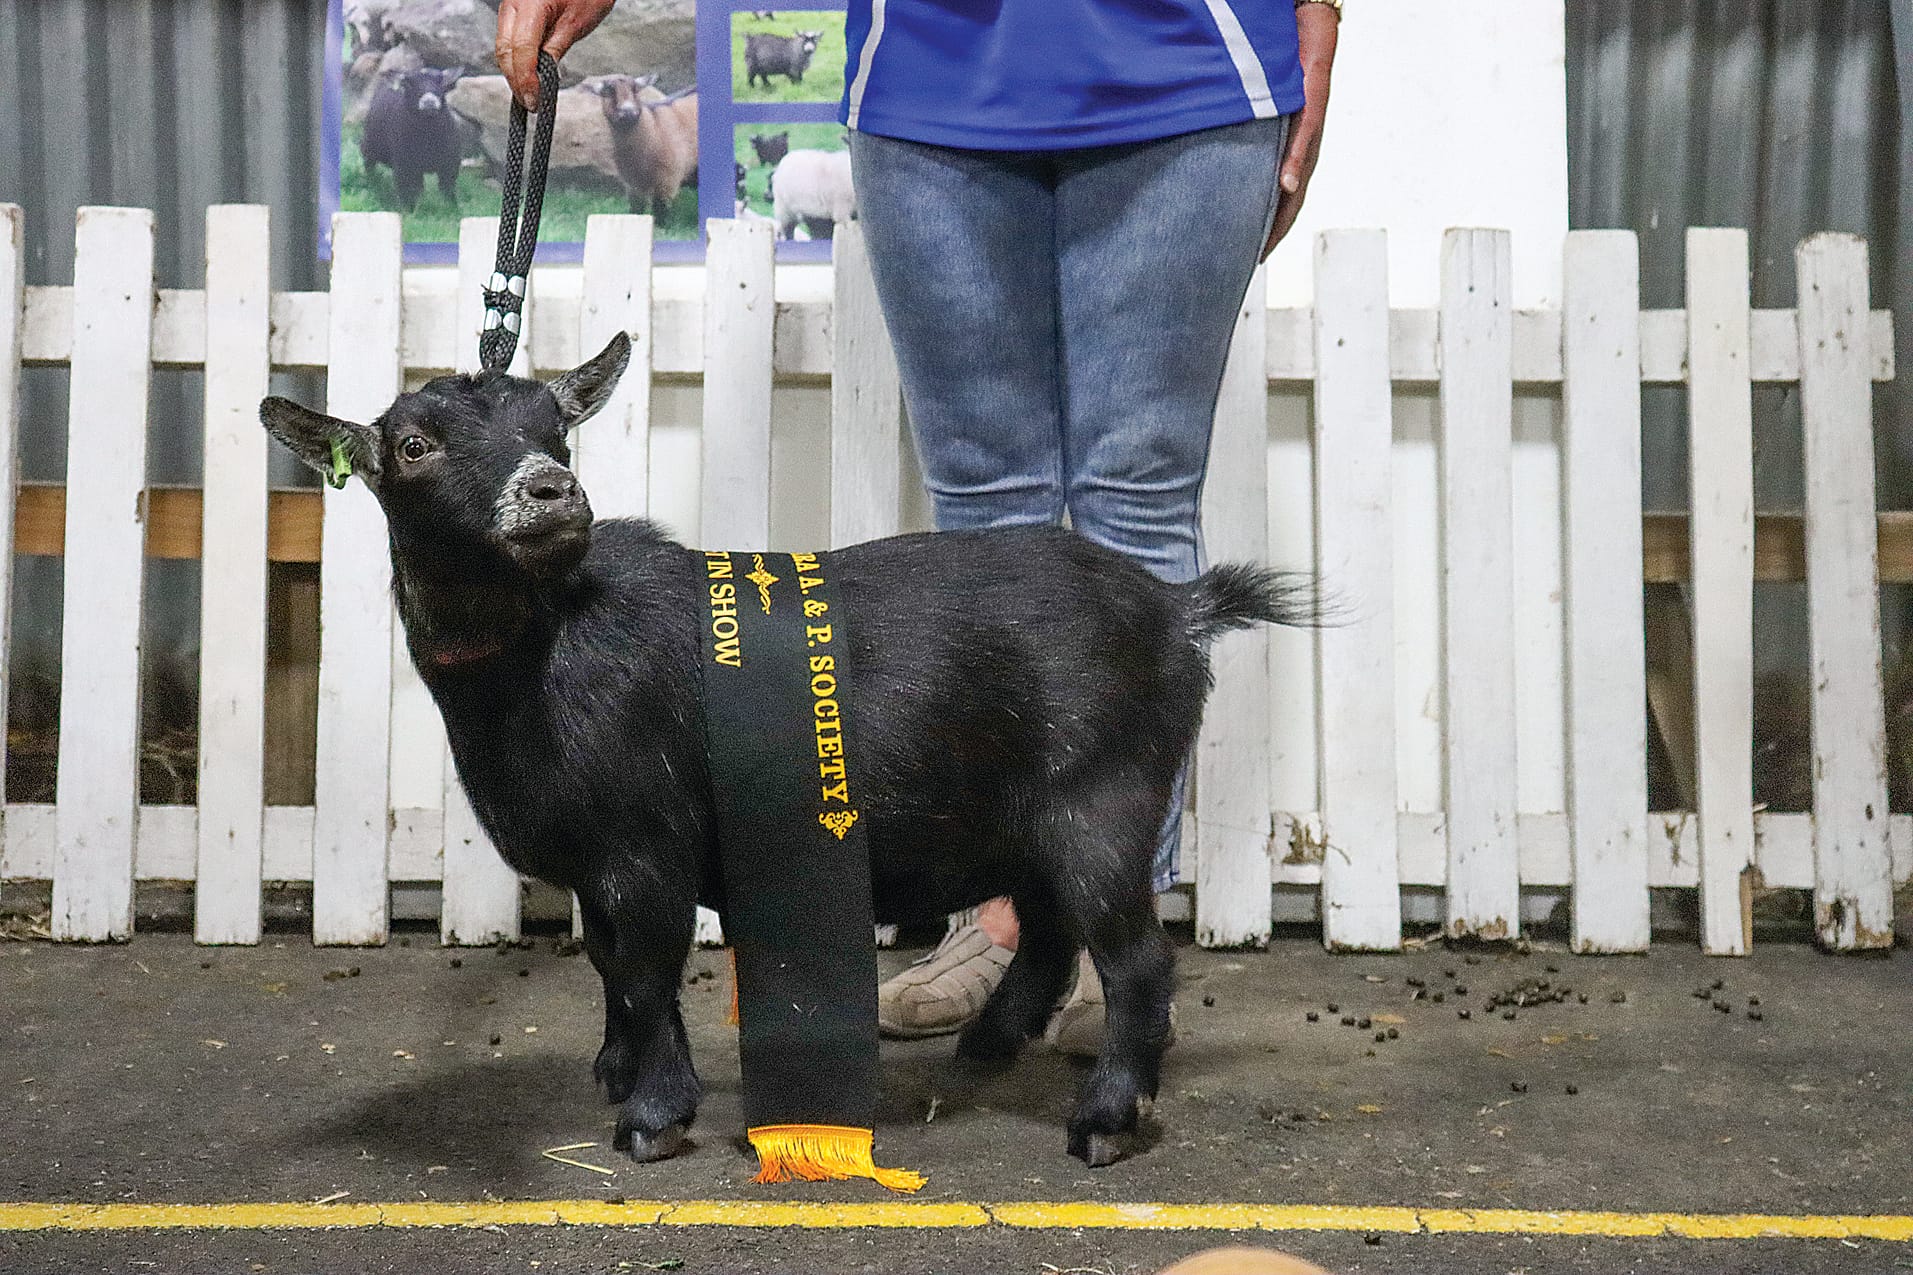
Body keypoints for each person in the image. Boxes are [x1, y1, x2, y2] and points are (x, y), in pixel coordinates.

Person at [494, 0, 1339, 1051]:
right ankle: (1001, 917)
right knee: (983, 494)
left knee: (1140, 488)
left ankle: (1104, 922)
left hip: (1189, 67)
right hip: (929, 82)